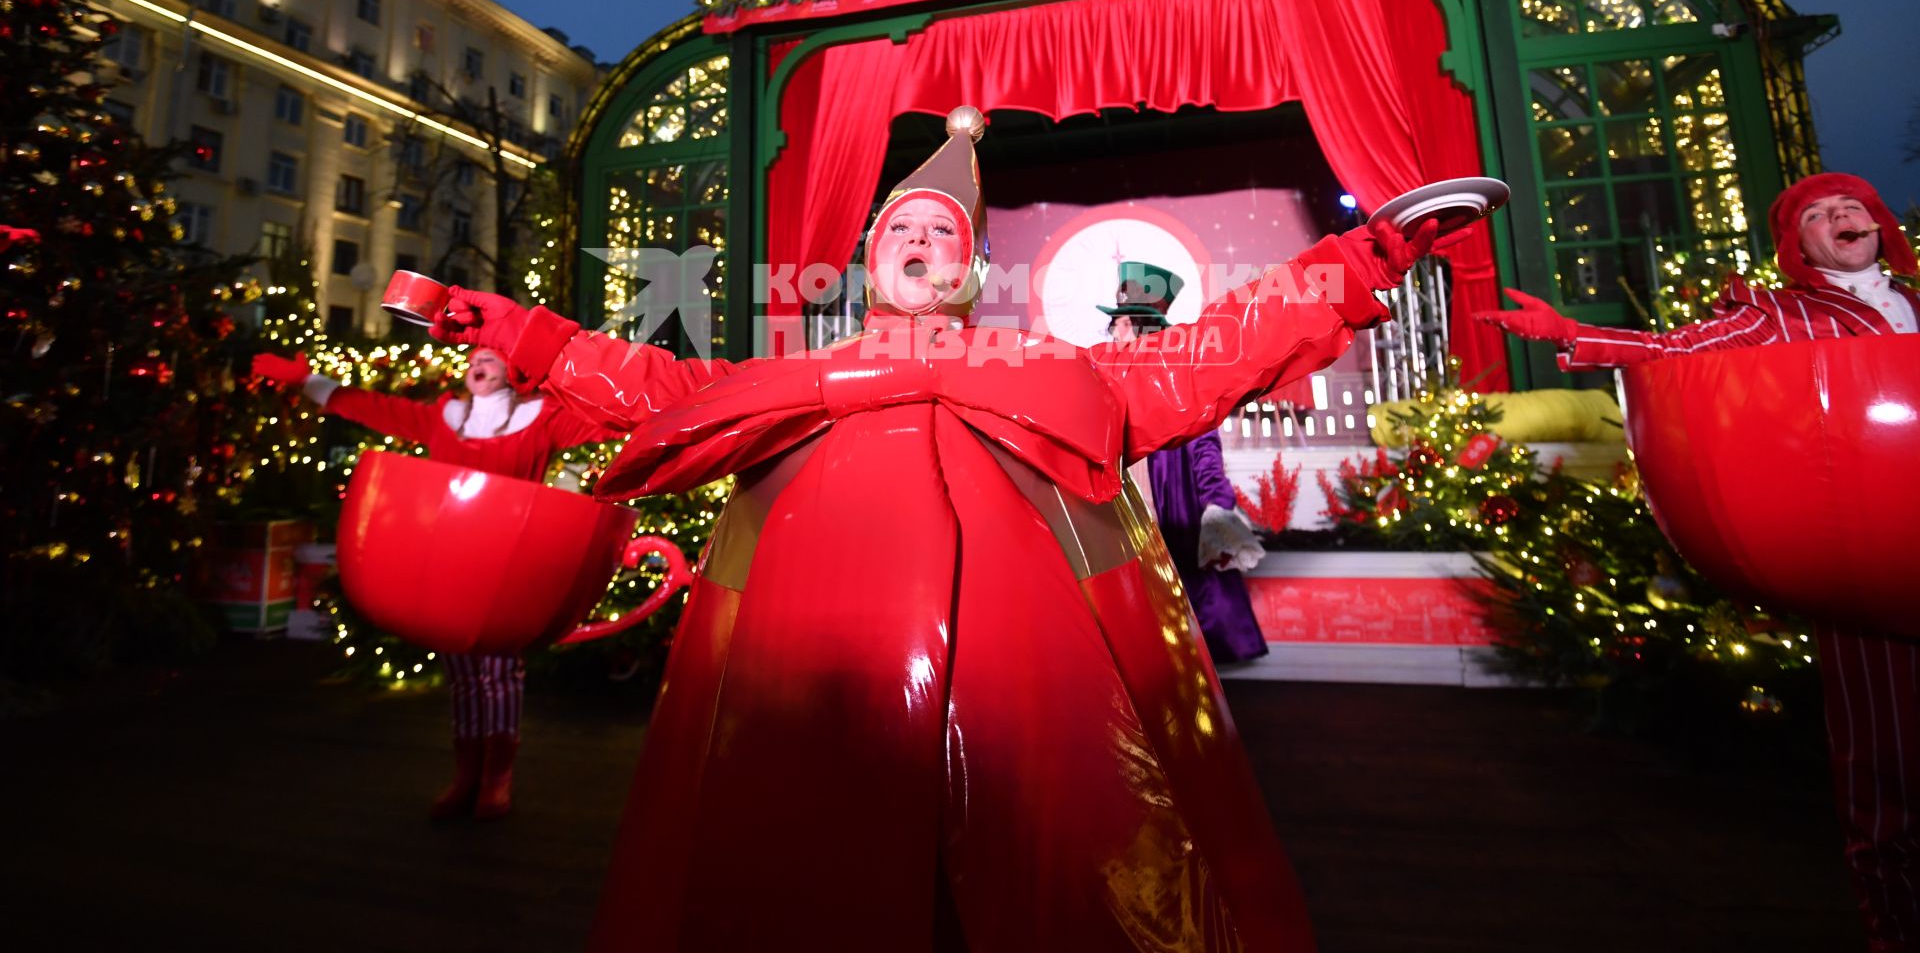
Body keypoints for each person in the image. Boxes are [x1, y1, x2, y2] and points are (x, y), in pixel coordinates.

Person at [432, 106, 1438, 951]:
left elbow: (1215, 351)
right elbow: (649, 387)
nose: (920, 246)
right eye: (901, 234)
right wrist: (520, 332)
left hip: (1022, 726)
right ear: (874, 262)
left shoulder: (1048, 373)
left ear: (973, 269)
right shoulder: (782, 385)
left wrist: (1361, 260)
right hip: (810, 716)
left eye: (944, 236)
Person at [1478, 171, 1919, 953]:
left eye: (1851, 205)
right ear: (1798, 245)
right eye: (1817, 214)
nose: (1840, 216)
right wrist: (1570, 334)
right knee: (1887, 765)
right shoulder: (1781, 312)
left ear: (1878, 221)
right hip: (1864, 563)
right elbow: (1676, 350)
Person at [251, 344, 620, 822]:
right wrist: (308, 383)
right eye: (474, 358)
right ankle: (466, 774)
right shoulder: (444, 418)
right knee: (465, 676)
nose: (478, 364)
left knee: (499, 673)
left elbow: (612, 419)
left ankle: (496, 780)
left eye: (491, 357)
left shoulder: (541, 418)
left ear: (513, 371)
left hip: (506, 562)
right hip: (450, 561)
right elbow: (375, 409)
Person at [1103, 260, 1269, 666]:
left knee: (1186, 595)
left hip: (1169, 504)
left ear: (1142, 327)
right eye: (1113, 325)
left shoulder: (1180, 377)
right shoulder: (1110, 375)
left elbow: (1205, 447)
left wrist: (1216, 503)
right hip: (1124, 502)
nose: (1113, 332)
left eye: (1121, 324)